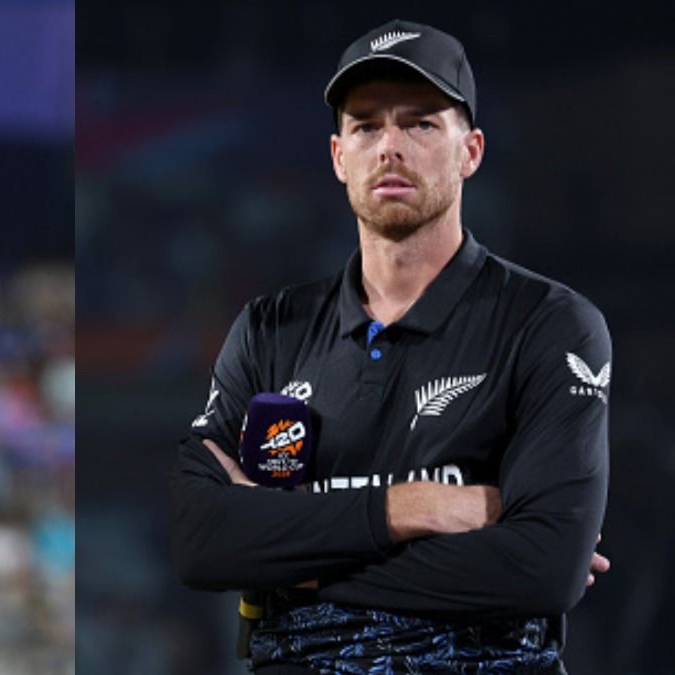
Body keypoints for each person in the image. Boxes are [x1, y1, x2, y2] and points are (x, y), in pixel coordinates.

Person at [170, 19, 611, 674]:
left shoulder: (550, 323)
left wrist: (288, 568)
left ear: (472, 150)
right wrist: (413, 506)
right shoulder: (269, 328)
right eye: (366, 125)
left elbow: (543, 568)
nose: (390, 146)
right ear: (338, 155)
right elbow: (199, 539)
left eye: (421, 123)